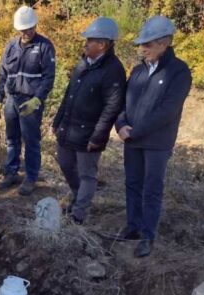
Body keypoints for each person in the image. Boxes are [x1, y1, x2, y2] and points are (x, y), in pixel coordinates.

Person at [115, 16, 192, 257]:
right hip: (132, 140)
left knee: (152, 188)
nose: (143, 48)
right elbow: (123, 103)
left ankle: (148, 235)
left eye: (148, 44)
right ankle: (133, 226)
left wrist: (135, 131)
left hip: (157, 143)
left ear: (165, 43)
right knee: (132, 184)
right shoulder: (137, 71)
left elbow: (166, 112)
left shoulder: (178, 72)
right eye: (142, 44)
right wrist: (121, 125)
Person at [52, 17, 126, 224]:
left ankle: (79, 214)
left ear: (102, 44)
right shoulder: (84, 63)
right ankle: (77, 197)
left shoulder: (113, 70)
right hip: (69, 128)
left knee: (87, 174)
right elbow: (69, 94)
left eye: (89, 41)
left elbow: (112, 107)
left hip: (90, 133)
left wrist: (98, 136)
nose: (85, 44)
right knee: (66, 164)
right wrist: (58, 121)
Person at [0, 5, 56, 196]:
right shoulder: (11, 46)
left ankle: (30, 178)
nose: (26, 32)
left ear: (35, 25)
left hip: (31, 101)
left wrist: (37, 99)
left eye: (29, 28)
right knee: (11, 139)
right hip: (12, 100)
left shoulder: (44, 47)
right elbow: (3, 71)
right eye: (22, 29)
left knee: (31, 141)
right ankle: (11, 173)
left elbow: (48, 77)